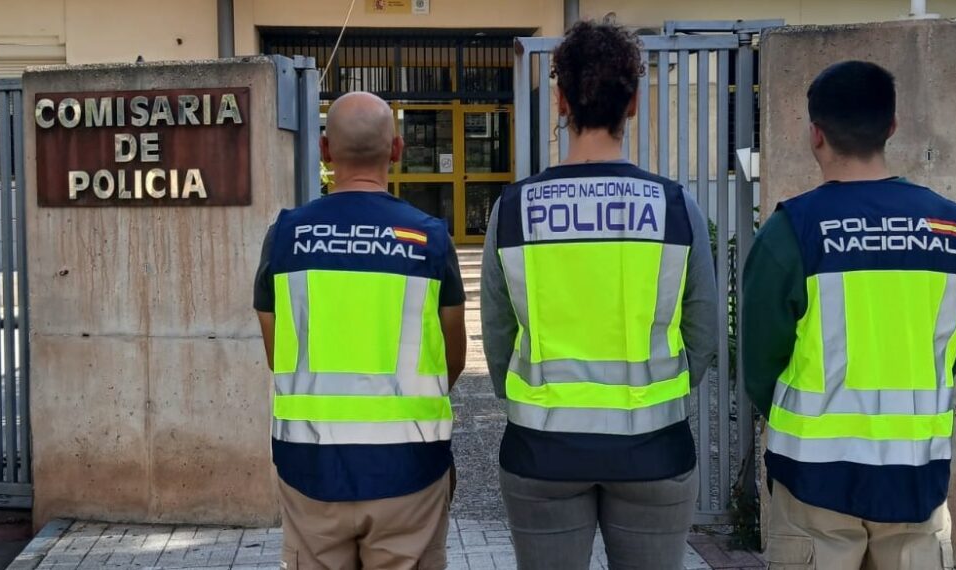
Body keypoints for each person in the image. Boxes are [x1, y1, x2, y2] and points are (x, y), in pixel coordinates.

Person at [481, 20, 718, 570]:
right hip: (655, 449)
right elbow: (702, 332)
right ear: (633, 102)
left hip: (541, 450)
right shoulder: (675, 206)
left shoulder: (514, 208)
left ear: (560, 100)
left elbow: (497, 333)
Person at [743, 61, 956, 569]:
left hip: (812, 479)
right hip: (916, 476)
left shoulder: (792, 230)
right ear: (891, 127)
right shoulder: (954, 228)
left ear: (815, 134)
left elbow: (761, 365)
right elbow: (950, 349)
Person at [253, 91, 467, 570]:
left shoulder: (285, 235)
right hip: (410, 466)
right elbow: (453, 356)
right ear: (397, 149)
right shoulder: (429, 238)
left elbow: (277, 349)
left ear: (326, 151)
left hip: (310, 466)